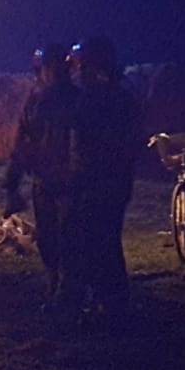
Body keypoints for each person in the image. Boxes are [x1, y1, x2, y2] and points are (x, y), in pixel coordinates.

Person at [65, 36, 143, 318]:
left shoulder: (98, 99)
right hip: (113, 183)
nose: (77, 71)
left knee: (98, 243)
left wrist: (82, 179)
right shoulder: (120, 96)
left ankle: (108, 302)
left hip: (99, 184)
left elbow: (88, 146)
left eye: (81, 65)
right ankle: (110, 300)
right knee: (105, 241)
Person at [3, 44, 79, 308]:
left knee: (58, 236)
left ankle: (62, 289)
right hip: (66, 182)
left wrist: (12, 184)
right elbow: (24, 142)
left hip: (55, 181)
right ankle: (63, 287)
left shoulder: (40, 101)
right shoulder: (81, 98)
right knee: (61, 236)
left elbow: (23, 143)